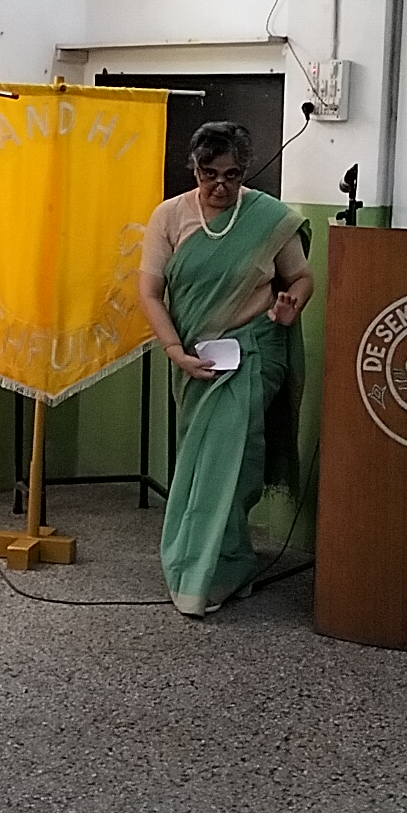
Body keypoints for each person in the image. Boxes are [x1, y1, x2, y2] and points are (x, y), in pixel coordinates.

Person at [138, 121, 313, 617]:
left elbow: (301, 277)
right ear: (193, 169)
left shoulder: (269, 218)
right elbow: (149, 293)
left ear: (244, 172)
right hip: (194, 357)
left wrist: (291, 306)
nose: (221, 185)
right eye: (209, 173)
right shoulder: (170, 216)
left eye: (232, 175)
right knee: (207, 462)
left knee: (230, 462)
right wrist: (175, 350)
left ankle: (204, 575)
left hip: (254, 350)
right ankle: (228, 561)